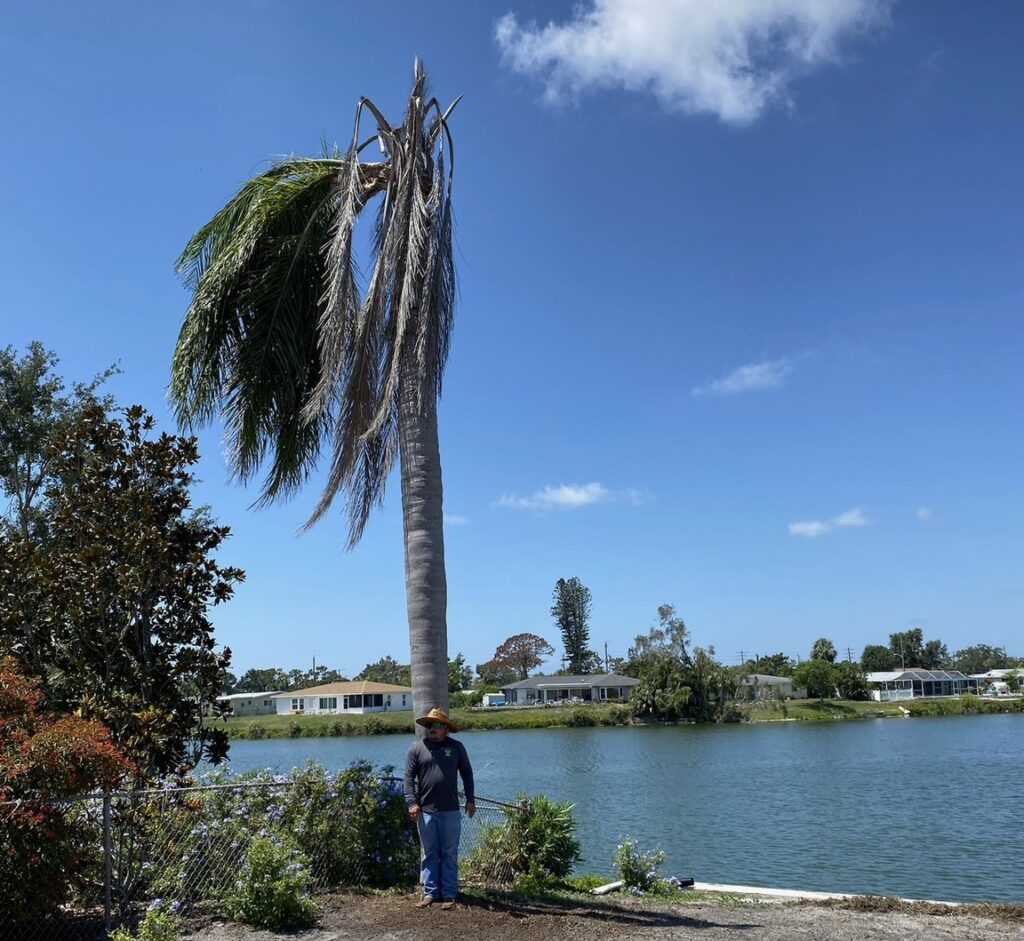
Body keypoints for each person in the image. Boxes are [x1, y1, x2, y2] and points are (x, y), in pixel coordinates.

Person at [404, 707, 475, 909]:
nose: (432, 729)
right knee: (429, 853)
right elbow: (408, 779)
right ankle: (430, 893)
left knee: (449, 852)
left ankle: (449, 893)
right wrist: (411, 803)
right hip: (425, 811)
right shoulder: (416, 749)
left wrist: (470, 799)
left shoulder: (457, 747)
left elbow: (467, 774)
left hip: (451, 810)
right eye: (429, 725)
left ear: (446, 728)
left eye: (437, 725)